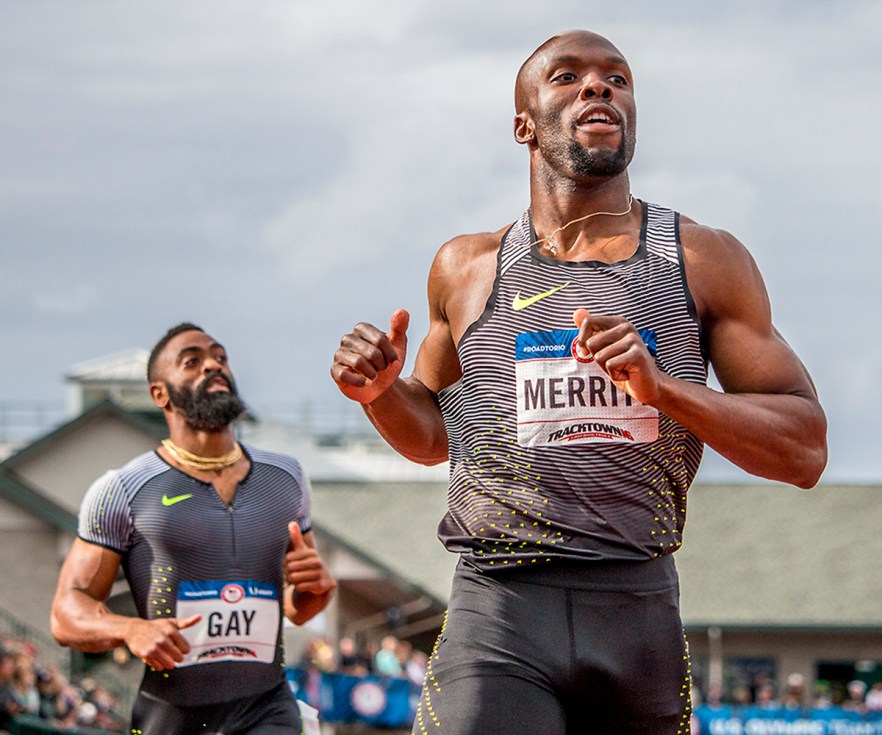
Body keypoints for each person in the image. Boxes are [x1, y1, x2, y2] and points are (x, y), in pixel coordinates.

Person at [331, 29, 827, 735]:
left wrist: (666, 390)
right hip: (500, 607)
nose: (599, 87)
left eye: (617, 78)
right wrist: (380, 394)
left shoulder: (703, 260)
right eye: (568, 77)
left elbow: (805, 450)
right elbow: (434, 433)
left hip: (637, 609)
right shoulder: (466, 268)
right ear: (523, 124)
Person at [51, 323, 336, 735]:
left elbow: (295, 606)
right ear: (159, 394)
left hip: (267, 708)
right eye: (192, 362)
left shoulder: (286, 478)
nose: (212, 366)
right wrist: (129, 629)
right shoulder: (123, 490)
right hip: (172, 715)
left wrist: (316, 592)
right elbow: (66, 614)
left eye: (220, 358)